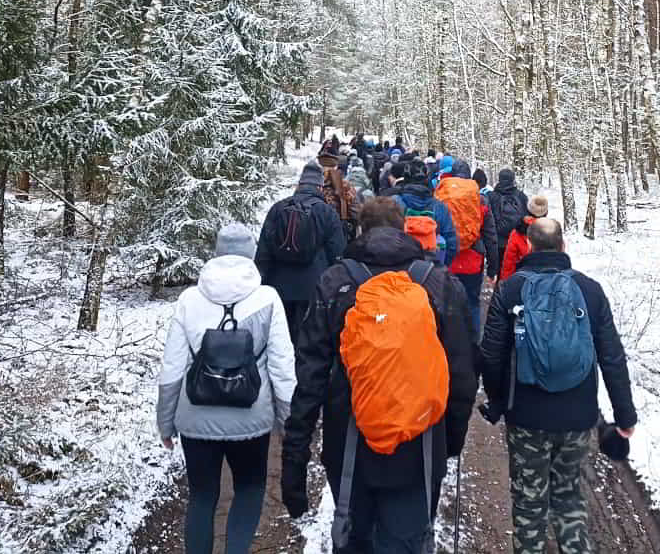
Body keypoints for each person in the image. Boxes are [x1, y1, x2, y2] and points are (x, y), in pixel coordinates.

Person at [282, 197, 477, 554]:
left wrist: (295, 456)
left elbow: (310, 376)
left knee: (354, 541)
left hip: (349, 445)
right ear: (404, 229)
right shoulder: (439, 282)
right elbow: (463, 374)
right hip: (419, 444)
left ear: (360, 230)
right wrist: (451, 441)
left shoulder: (335, 282)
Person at [480, 217, 638, 554]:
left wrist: (498, 402)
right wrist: (625, 417)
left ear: (531, 246)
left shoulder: (510, 289)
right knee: (568, 495)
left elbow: (491, 354)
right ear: (563, 246)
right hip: (577, 417)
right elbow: (612, 356)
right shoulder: (590, 290)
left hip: (526, 416)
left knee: (528, 501)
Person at [157, 224, 297, 554]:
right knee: (249, 489)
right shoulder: (268, 298)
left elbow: (172, 368)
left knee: (202, 496)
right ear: (252, 253)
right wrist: (288, 421)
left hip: (196, 419)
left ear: (217, 253)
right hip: (251, 419)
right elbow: (282, 366)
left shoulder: (189, 299)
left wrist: (166, 422)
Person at [256, 161, 347, 343]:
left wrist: (261, 284)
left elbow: (263, 252)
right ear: (320, 187)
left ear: (299, 185)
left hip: (278, 286)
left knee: (281, 338)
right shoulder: (327, 212)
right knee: (308, 338)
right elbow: (337, 253)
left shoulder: (278, 209)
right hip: (313, 287)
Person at [437, 159, 498, 338]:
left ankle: (450, 342)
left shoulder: (441, 195)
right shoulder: (481, 199)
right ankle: (473, 343)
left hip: (448, 260)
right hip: (473, 261)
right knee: (472, 302)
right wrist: (493, 268)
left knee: (447, 303)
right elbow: (490, 236)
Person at [393, 162, 456, 266]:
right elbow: (451, 243)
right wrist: (441, 267)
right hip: (430, 269)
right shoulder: (439, 207)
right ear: (427, 180)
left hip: (400, 268)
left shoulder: (394, 203)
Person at [488, 168, 530, 278]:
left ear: (499, 179)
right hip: (516, 242)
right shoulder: (521, 196)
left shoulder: (491, 196)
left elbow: (487, 221)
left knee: (501, 275)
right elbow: (527, 218)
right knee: (517, 274)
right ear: (513, 180)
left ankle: (500, 292)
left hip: (497, 242)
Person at [499, 195, 548, 281]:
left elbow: (509, 261)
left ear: (528, 210)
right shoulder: (552, 231)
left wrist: (505, 281)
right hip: (547, 281)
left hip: (523, 279)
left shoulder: (517, 232)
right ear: (546, 212)